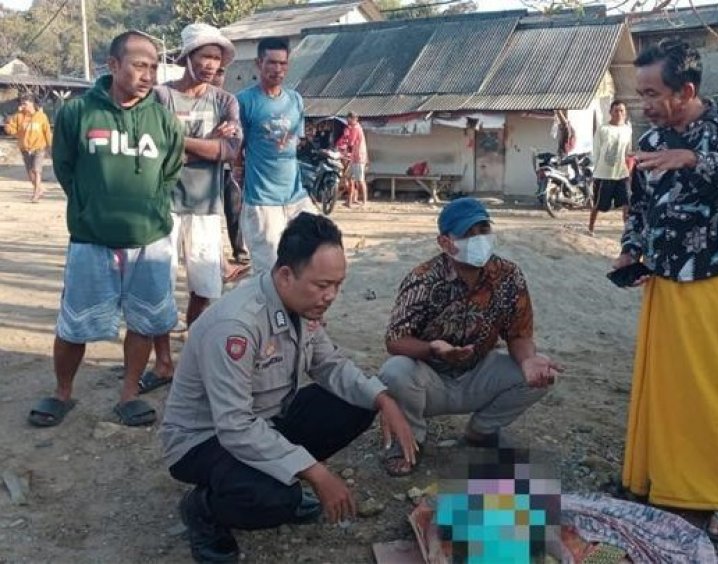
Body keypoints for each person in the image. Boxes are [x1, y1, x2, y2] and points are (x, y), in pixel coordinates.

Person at [159, 212, 417, 563]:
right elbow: (234, 426)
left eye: (337, 285)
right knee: (276, 499)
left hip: (266, 421)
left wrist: (384, 399)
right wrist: (316, 473)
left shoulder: (300, 306)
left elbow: (331, 365)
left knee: (357, 399)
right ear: (284, 275)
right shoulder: (237, 326)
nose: (331, 296)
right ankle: (202, 510)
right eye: (322, 285)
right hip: (205, 440)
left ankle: (283, 477)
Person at [615, 39, 718, 543]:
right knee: (662, 385)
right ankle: (659, 480)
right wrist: (629, 249)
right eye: (640, 93)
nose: (645, 103)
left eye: (653, 93)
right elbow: (638, 206)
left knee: (712, 384)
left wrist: (693, 159)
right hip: (661, 276)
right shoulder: (652, 137)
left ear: (685, 91)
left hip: (709, 272)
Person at [26, 31, 184, 428]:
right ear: (113, 65)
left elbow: (170, 172)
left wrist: (145, 207)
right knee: (74, 322)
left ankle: (129, 393)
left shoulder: (163, 120)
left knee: (145, 321)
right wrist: (89, 206)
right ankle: (63, 392)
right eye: (138, 65)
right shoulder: (77, 113)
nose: (148, 74)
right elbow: (64, 167)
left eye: (152, 66)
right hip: (90, 240)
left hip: (148, 239)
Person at [377, 197, 561, 477]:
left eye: (483, 230)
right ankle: (410, 439)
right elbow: (395, 340)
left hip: (477, 373)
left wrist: (528, 361)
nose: (479, 239)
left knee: (540, 370)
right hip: (429, 380)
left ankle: (482, 431)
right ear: (445, 242)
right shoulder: (423, 278)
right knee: (394, 371)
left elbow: (519, 334)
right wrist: (434, 350)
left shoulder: (508, 276)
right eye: (468, 234)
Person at [142, 24, 243, 396]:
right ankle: (163, 361)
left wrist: (181, 142)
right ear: (187, 57)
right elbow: (154, 146)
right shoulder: (160, 97)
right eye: (204, 55)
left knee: (205, 287)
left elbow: (229, 152)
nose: (210, 64)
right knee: (158, 287)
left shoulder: (225, 101)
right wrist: (206, 142)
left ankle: (193, 358)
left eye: (216, 58)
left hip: (205, 206)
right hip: (162, 205)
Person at [237, 37, 318, 276]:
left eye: (283, 63)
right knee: (269, 270)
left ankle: (301, 312)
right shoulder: (244, 101)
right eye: (271, 63)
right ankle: (268, 313)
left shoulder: (295, 100)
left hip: (296, 196)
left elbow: (295, 141)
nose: (277, 69)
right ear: (258, 63)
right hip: (262, 200)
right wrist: (239, 171)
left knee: (315, 250)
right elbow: (235, 147)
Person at [211, 66, 250, 266]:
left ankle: (239, 251)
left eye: (221, 71)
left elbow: (236, 139)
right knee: (210, 215)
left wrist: (237, 165)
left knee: (234, 210)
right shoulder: (199, 103)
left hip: (226, 169)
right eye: (215, 72)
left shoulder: (229, 103)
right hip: (203, 170)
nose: (217, 75)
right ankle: (213, 256)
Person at [588, 100, 632, 236]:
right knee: (599, 204)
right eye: (616, 110)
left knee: (626, 203)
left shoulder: (627, 129)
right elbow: (596, 150)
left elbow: (628, 151)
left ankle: (627, 231)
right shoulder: (603, 129)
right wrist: (594, 168)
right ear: (610, 112)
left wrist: (629, 169)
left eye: (622, 111)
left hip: (621, 173)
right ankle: (590, 227)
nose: (619, 113)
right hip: (604, 174)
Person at [4, 94, 52, 202]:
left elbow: (47, 132)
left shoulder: (41, 117)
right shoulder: (18, 116)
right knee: (30, 173)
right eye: (22, 104)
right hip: (25, 148)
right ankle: (39, 188)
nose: (22, 106)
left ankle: (36, 193)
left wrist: (50, 146)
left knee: (36, 170)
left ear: (32, 104)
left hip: (39, 147)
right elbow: (12, 131)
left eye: (25, 103)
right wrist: (7, 125)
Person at [335, 111, 368, 207]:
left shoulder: (356, 128)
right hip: (353, 157)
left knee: (360, 180)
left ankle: (364, 202)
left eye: (349, 119)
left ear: (353, 119)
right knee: (349, 178)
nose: (348, 121)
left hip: (358, 157)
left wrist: (343, 150)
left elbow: (351, 143)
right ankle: (350, 200)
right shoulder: (351, 128)